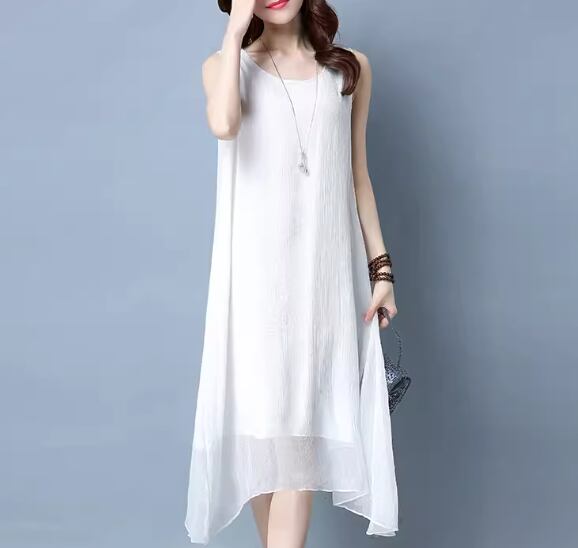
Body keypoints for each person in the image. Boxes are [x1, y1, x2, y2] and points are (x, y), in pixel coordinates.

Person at [185, 1, 399, 546]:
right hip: (253, 293)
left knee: (300, 444)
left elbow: (358, 175)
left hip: (322, 288)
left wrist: (381, 269)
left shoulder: (350, 69)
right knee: (261, 448)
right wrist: (235, 31)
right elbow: (223, 124)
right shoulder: (224, 66)